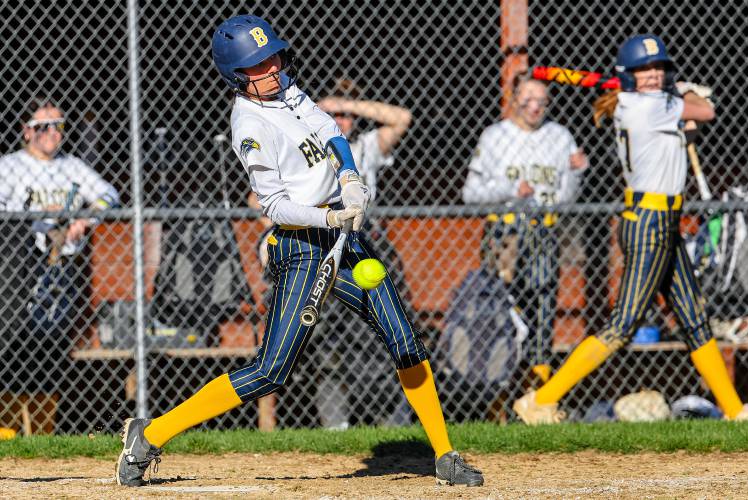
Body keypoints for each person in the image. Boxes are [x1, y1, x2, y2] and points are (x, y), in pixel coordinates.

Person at [115, 15, 483, 487]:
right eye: (258, 65)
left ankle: (445, 454)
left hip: (344, 234)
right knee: (271, 371)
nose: (272, 68)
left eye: (272, 58)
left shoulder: (287, 90)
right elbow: (273, 204)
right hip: (303, 241)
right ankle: (151, 434)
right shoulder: (248, 124)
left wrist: (349, 177)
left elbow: (329, 129)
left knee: (405, 340)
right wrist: (328, 218)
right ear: (236, 75)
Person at [513, 34, 748, 424]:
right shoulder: (647, 106)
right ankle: (542, 399)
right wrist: (686, 91)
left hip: (665, 221)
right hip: (649, 223)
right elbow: (705, 111)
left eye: (658, 69)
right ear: (628, 75)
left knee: (693, 319)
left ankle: (734, 410)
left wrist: (681, 105)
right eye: (644, 70)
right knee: (623, 324)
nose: (654, 75)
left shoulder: (643, 104)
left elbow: (683, 130)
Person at [0, 97, 119, 427]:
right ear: (26, 131)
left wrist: (84, 218)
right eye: (43, 127)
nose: (53, 133)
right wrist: (36, 216)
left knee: (51, 348)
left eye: (59, 125)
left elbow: (108, 195)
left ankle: (40, 432)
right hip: (19, 268)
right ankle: (8, 430)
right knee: (13, 345)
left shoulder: (72, 166)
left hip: (61, 267)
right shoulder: (9, 166)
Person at [462, 76, 588, 386]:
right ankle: (497, 391)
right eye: (528, 99)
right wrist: (510, 190)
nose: (534, 106)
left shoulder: (559, 136)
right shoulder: (494, 136)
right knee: (501, 312)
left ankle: (537, 391)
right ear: (513, 99)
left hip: (543, 231)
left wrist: (574, 174)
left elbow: (565, 199)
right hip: (504, 233)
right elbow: (470, 193)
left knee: (543, 311)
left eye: (541, 100)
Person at [311, 79, 415, 429]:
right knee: (329, 343)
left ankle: (389, 423)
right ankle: (335, 427)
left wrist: (347, 105)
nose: (341, 120)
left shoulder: (366, 146)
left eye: (346, 115)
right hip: (323, 243)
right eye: (332, 115)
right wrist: (323, 116)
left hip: (363, 246)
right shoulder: (310, 152)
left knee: (382, 333)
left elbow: (402, 118)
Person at [436, 214, 529, 421]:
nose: (504, 255)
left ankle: (511, 412)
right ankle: (498, 413)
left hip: (495, 362)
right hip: (473, 367)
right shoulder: (481, 285)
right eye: (501, 247)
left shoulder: (518, 286)